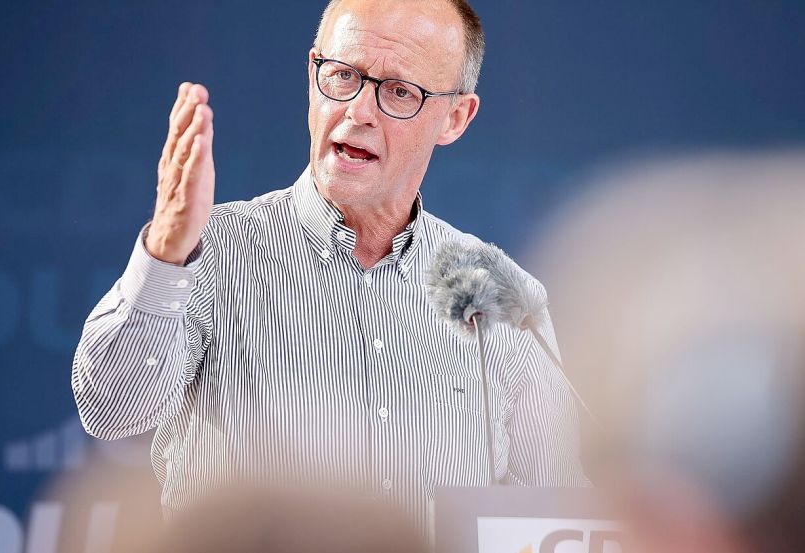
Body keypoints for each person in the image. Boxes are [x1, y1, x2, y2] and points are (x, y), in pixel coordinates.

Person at [71, 0, 587, 535]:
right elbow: (111, 409)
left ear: (455, 117)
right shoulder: (211, 252)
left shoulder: (501, 295)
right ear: (313, 75)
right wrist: (165, 251)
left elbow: (552, 506)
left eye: (399, 92)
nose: (359, 111)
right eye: (343, 76)